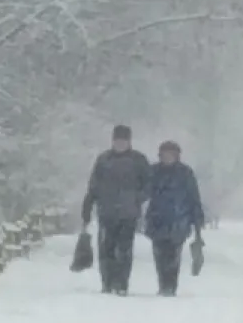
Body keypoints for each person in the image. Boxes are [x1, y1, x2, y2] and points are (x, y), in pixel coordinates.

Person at [80, 125, 151, 295]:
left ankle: (122, 283)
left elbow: (149, 185)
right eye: (117, 140)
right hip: (106, 212)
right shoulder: (104, 160)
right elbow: (93, 186)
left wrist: (136, 198)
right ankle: (107, 281)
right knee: (106, 248)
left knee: (124, 249)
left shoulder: (138, 160)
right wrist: (88, 207)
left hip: (129, 213)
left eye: (123, 140)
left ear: (129, 141)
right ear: (113, 141)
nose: (120, 143)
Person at [145, 140, 205, 296]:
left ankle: (170, 286)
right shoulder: (153, 172)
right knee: (159, 254)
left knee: (173, 255)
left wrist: (197, 219)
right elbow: (143, 192)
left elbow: (193, 197)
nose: (167, 157)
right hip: (156, 219)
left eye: (171, 154)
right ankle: (163, 283)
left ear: (177, 156)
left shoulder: (185, 173)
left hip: (179, 221)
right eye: (164, 154)